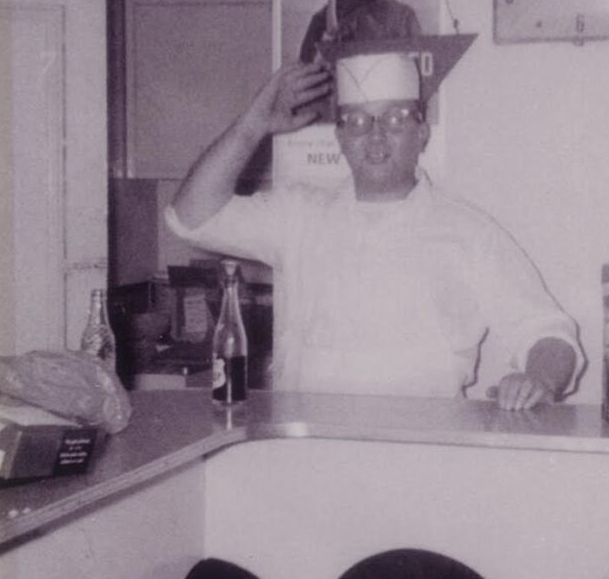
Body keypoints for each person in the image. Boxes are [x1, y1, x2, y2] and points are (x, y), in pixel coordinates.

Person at [167, 49, 583, 409]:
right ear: (341, 138)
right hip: (307, 451)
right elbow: (191, 217)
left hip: (424, 456)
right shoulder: (298, 215)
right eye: (359, 122)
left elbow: (547, 331)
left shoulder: (469, 232)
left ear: (422, 134)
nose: (377, 136)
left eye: (396, 119)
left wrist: (540, 380)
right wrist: (252, 124)